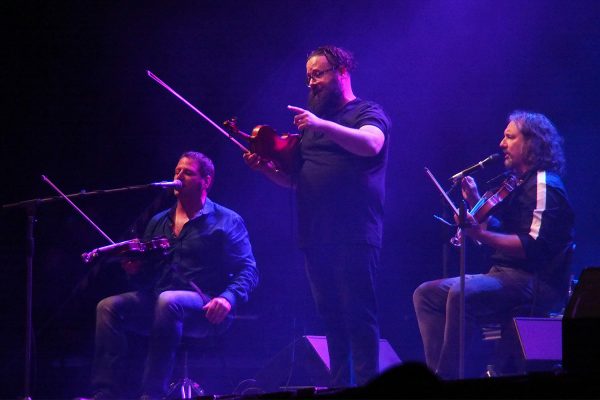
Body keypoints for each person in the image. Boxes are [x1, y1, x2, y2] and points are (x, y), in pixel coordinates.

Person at [244, 45, 391, 386]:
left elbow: (371, 144)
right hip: (315, 236)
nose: (311, 82)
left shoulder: (366, 112)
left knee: (359, 317)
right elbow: (294, 180)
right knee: (332, 319)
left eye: (319, 74)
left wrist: (321, 124)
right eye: (308, 76)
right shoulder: (311, 127)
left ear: (342, 72)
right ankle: (341, 386)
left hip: (356, 232)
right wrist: (265, 170)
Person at [413, 111, 574, 379]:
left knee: (461, 293)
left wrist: (480, 233)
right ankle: (439, 374)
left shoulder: (545, 184)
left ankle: (452, 377)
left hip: (535, 281)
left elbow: (531, 246)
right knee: (426, 294)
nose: (501, 144)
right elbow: (502, 231)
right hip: (504, 274)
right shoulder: (516, 184)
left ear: (532, 143)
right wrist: (477, 204)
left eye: (510, 137)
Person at [89, 151, 259, 399]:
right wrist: (135, 272)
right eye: (177, 171)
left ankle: (152, 394)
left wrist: (228, 298)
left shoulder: (227, 220)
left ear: (207, 180)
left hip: (206, 307)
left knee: (169, 301)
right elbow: (147, 277)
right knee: (108, 307)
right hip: (159, 303)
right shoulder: (159, 221)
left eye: (187, 172)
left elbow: (249, 269)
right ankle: (104, 393)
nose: (179, 176)